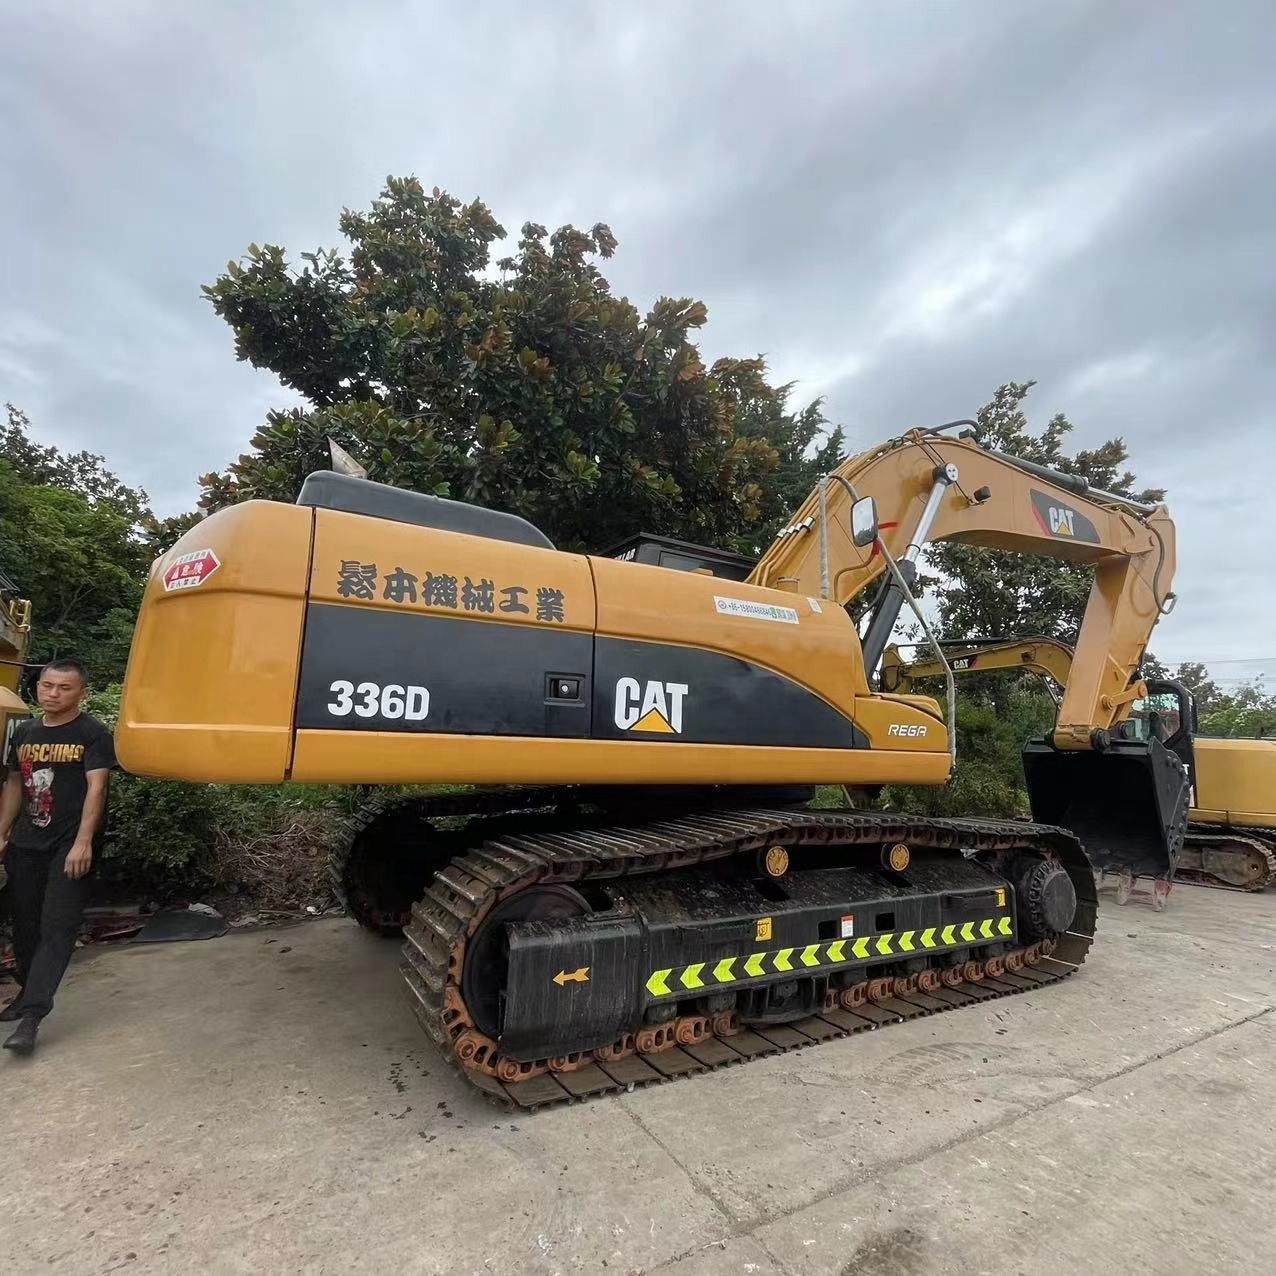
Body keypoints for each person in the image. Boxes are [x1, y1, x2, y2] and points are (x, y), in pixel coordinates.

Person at [0, 658, 116, 1055]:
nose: (53, 693)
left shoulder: (92, 733)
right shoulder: (25, 732)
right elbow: (16, 783)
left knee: (57, 925)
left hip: (68, 844)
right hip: (26, 843)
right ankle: (24, 994)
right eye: (48, 686)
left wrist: (84, 841)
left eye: (64, 688)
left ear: (81, 692)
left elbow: (96, 789)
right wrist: (2, 832)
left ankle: (33, 1015)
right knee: (26, 925)